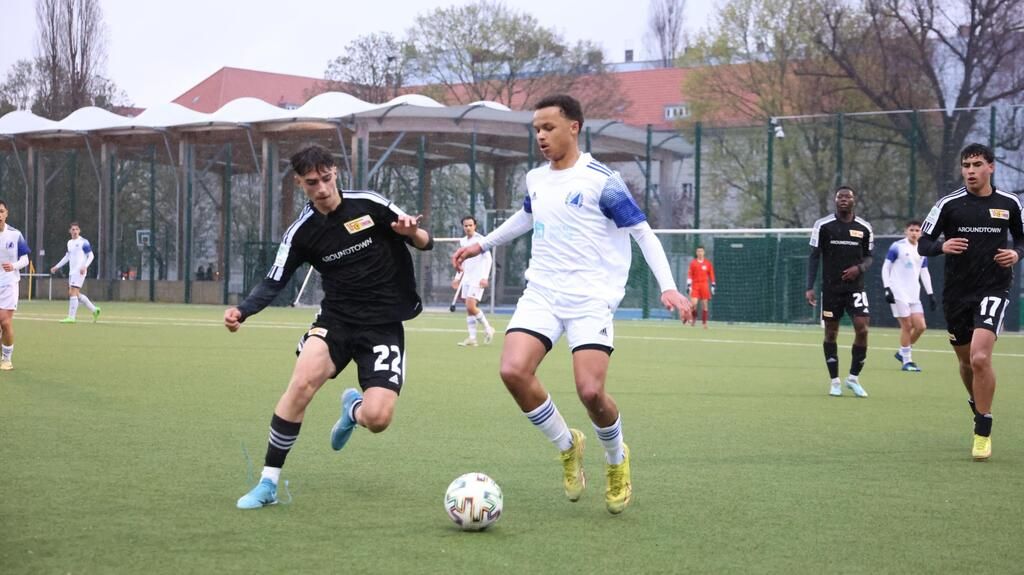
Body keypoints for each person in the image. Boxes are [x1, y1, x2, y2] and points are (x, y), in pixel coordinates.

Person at [452, 94, 692, 515]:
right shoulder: (536, 179)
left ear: (574, 127)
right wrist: (481, 245)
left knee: (591, 392)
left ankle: (616, 459)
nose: (541, 137)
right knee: (512, 370)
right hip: (542, 292)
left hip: (591, 299)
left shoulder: (602, 179)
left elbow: (643, 234)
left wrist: (669, 287)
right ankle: (568, 446)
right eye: (537, 130)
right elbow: (527, 216)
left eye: (549, 128)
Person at [225, 144, 433, 509]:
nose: (321, 188)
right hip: (336, 321)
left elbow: (424, 241)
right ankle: (268, 483)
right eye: (311, 183)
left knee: (378, 418)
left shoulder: (369, 204)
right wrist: (242, 311)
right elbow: (275, 281)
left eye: (325, 178)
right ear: (300, 183)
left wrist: (411, 233)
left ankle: (353, 410)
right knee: (301, 384)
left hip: (384, 325)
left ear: (335, 172)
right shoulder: (302, 233)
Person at [918, 143, 1024, 461]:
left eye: (977, 164)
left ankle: (983, 430)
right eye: (966, 165)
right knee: (965, 362)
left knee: (980, 358)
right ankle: (978, 407)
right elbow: (923, 243)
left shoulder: (1009, 203)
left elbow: (1022, 238)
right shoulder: (948, 205)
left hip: (994, 288)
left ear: (991, 167)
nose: (970, 170)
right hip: (957, 294)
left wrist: (1017, 253)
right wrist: (941, 246)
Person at [805, 186, 873, 398]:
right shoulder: (823, 226)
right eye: (840, 196)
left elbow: (870, 257)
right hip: (831, 289)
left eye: (848, 196)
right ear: (835, 201)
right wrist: (810, 286)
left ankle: (853, 378)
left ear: (854, 200)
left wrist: (858, 269)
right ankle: (834, 381)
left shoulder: (864, 227)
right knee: (831, 333)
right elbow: (814, 256)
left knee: (862, 329)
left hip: (856, 289)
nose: (843, 199)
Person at [881, 221, 934, 371]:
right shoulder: (897, 246)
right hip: (897, 291)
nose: (914, 233)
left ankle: (901, 352)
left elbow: (924, 272)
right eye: (911, 230)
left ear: (921, 233)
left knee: (921, 327)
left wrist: (930, 294)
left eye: (917, 230)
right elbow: (886, 268)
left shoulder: (922, 249)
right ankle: (907, 361)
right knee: (907, 325)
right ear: (906, 231)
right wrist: (887, 288)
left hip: (913, 294)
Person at [452, 215, 495, 347]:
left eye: (470, 225)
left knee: (471, 306)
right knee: (469, 309)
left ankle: (489, 328)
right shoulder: (463, 241)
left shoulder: (481, 240)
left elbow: (488, 259)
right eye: (466, 225)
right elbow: (462, 262)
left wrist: (484, 277)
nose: (468, 228)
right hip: (467, 278)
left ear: (475, 226)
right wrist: (457, 278)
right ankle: (472, 338)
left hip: (477, 279)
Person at [49, 222, 101, 323]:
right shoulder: (69, 243)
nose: (75, 231)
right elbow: (67, 257)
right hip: (72, 272)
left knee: (73, 292)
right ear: (70, 231)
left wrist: (85, 266)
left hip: (79, 271)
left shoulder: (83, 242)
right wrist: (57, 266)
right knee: (74, 293)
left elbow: (91, 256)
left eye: (77, 229)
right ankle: (94, 310)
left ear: (79, 230)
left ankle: (71, 317)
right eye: (73, 229)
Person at [0, 200, 30, 371]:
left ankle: (7, 358)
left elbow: (25, 259)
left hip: (9, 283)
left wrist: (13, 266)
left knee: (5, 322)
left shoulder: (15, 234)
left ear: (6, 213)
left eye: (1, 211)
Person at [686, 245, 715, 328]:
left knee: (705, 305)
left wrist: (713, 285)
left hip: (704, 285)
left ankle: (704, 323)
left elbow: (711, 275)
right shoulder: (693, 263)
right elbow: (690, 274)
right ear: (696, 253)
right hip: (695, 285)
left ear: (704, 252)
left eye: (701, 251)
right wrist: (689, 285)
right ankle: (694, 318)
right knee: (693, 304)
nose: (700, 253)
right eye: (698, 251)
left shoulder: (707, 263)